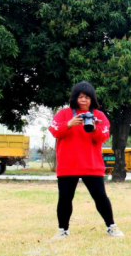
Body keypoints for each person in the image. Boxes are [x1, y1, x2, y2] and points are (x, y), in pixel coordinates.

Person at [48, 81, 123, 239]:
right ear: (74, 98)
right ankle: (62, 230)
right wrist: (69, 124)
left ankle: (111, 226)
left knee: (101, 197)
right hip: (68, 165)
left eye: (87, 97)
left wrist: (93, 127)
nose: (83, 100)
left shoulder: (99, 116)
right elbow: (54, 130)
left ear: (92, 99)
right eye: (80, 97)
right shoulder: (63, 114)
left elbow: (103, 137)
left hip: (92, 165)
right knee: (65, 198)